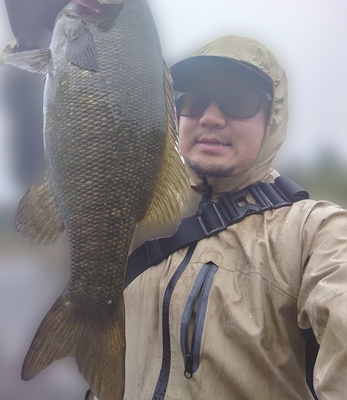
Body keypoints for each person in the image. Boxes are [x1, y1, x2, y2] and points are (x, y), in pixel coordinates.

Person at [100, 34, 347, 400]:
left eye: (238, 101)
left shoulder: (313, 232)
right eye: (194, 100)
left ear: (273, 117)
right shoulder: (132, 214)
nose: (210, 117)